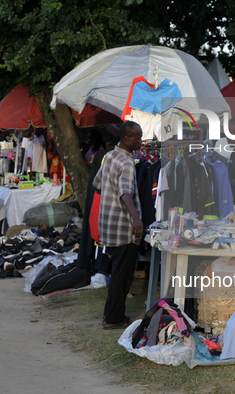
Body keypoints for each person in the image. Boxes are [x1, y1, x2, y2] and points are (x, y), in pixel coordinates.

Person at [92, 121, 143, 329]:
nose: (141, 141)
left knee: (117, 273)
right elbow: (125, 192)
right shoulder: (127, 162)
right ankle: (113, 318)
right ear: (127, 139)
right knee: (122, 275)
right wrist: (136, 218)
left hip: (108, 225)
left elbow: (97, 184)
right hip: (124, 226)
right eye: (138, 138)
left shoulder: (110, 156)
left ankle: (114, 315)